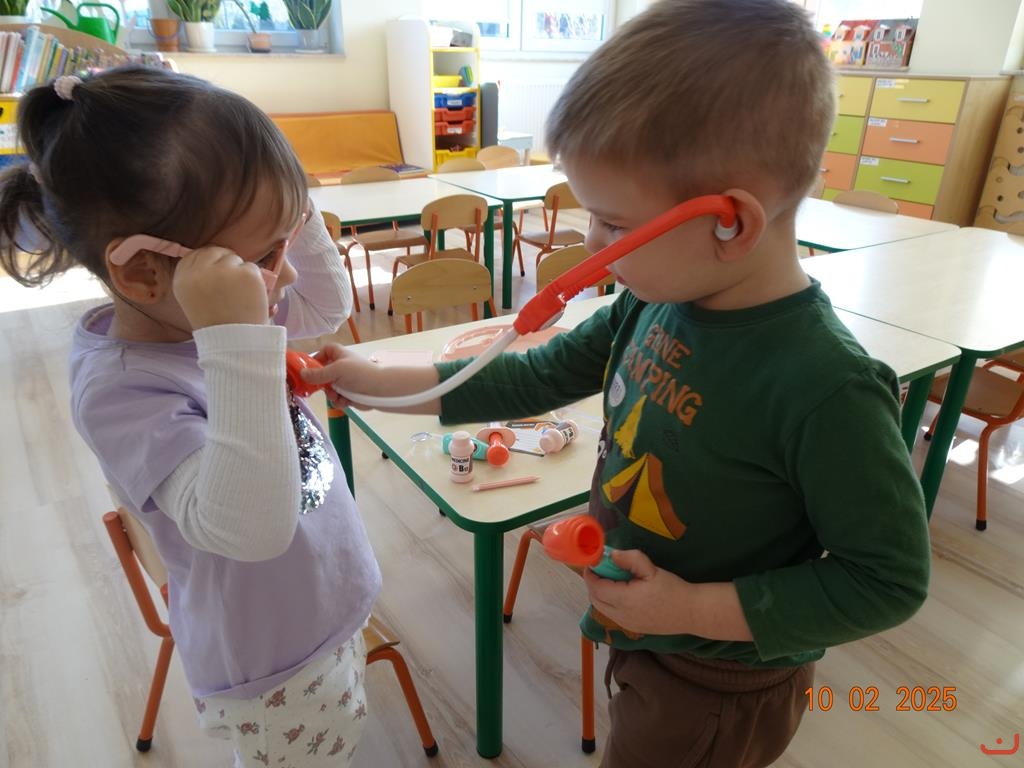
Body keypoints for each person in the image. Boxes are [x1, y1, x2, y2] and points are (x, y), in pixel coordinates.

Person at [300, 1, 931, 766]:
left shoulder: (826, 388)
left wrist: (688, 608)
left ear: (729, 223)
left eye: (612, 224)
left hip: (717, 683)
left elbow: (888, 581)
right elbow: (533, 376)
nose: (589, 244)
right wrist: (379, 379)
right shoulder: (654, 300)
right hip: (649, 632)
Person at [0, 67, 380, 767]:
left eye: (285, 244)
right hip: (274, 666)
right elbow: (250, 528)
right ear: (143, 272)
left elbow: (326, 307)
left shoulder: (203, 311)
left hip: (322, 608)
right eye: (264, 258)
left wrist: (287, 204)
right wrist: (238, 338)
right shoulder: (123, 390)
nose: (288, 275)